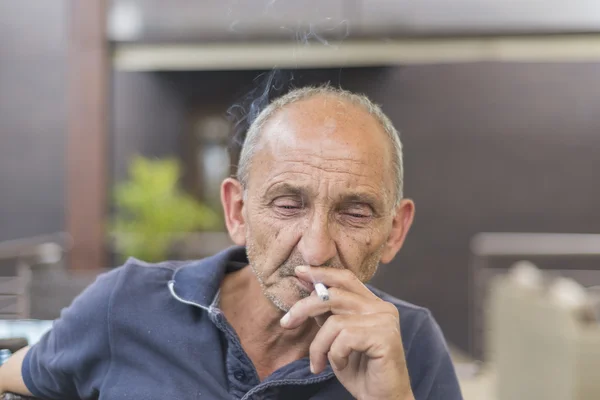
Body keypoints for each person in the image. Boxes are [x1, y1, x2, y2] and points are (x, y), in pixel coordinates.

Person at [0, 86, 463, 399]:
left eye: (355, 212)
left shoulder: (408, 343)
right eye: (287, 205)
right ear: (237, 212)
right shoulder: (127, 303)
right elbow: (17, 375)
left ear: (394, 232)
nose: (316, 250)